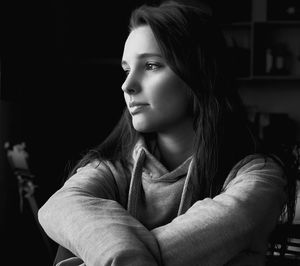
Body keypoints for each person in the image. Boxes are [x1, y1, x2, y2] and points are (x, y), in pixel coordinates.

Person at [38, 0, 297, 265]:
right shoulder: (109, 170)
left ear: (198, 73)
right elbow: (59, 206)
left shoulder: (258, 176)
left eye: (151, 66)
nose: (127, 85)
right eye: (126, 70)